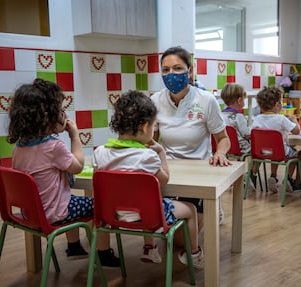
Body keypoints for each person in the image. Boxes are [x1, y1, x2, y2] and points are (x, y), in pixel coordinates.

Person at [7, 78, 120, 267]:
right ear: (46, 116)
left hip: (32, 212)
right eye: (60, 111)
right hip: (54, 213)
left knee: (68, 197)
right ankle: (103, 253)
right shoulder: (53, 146)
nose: (64, 115)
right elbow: (77, 166)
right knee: (98, 205)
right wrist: (75, 137)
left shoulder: (19, 147)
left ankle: (74, 246)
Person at [92, 90, 204, 268]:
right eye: (154, 126)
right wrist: (161, 152)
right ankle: (194, 253)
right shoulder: (147, 157)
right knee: (189, 209)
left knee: (141, 199)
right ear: (145, 127)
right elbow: (164, 179)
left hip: (113, 215)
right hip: (145, 215)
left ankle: (149, 248)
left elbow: (101, 183)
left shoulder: (99, 153)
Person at [150, 46, 231, 224]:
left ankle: (212, 205)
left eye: (177, 68)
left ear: (190, 71)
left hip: (200, 171)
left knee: (184, 236)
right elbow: (151, 141)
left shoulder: (206, 100)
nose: (171, 74)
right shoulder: (155, 100)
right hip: (168, 170)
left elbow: (223, 139)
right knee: (171, 228)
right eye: (165, 70)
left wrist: (220, 153)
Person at [251, 86, 301, 193]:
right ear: (277, 105)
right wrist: (294, 120)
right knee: (296, 155)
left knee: (271, 151)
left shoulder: (256, 119)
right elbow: (296, 131)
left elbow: (251, 132)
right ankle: (288, 179)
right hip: (280, 151)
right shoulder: (281, 119)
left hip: (262, 152)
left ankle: (265, 175)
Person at [220, 83, 251, 154]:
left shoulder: (220, 115)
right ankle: (252, 165)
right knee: (258, 151)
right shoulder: (239, 116)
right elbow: (247, 134)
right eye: (244, 99)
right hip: (241, 148)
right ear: (239, 100)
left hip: (225, 146)